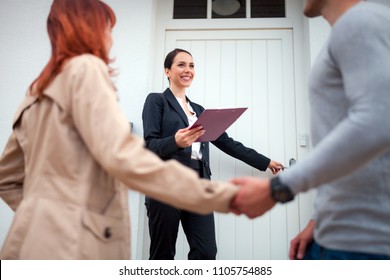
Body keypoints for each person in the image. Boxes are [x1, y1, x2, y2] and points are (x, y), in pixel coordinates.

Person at [0, 0, 239, 260]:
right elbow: (128, 157)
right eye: (107, 29)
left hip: (28, 246)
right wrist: (221, 194)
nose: (110, 40)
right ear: (90, 31)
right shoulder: (87, 70)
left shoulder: (37, 90)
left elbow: (6, 179)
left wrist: (42, 216)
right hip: (74, 247)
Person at [231, 0, 390, 260]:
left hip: (364, 242)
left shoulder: (360, 22)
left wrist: (278, 188)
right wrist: (318, 220)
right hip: (336, 232)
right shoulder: (354, 27)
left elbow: (378, 119)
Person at [142, 48, 283, 260]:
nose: (188, 70)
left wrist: (265, 162)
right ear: (167, 71)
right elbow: (149, 146)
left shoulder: (199, 110)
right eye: (181, 65)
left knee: (206, 252)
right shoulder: (157, 101)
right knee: (162, 255)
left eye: (191, 65)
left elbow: (227, 143)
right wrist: (175, 141)